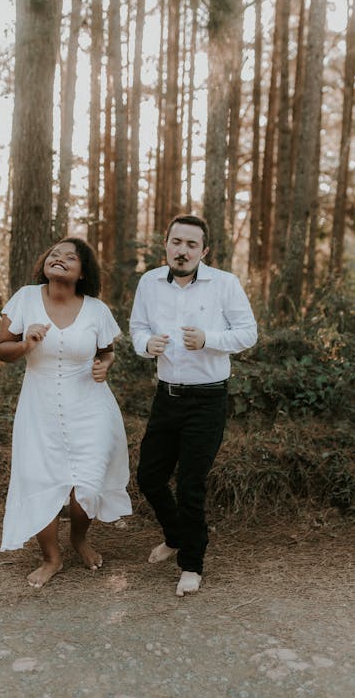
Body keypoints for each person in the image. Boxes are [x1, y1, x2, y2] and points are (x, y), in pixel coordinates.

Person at [130, 215, 257, 596]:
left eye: (190, 245)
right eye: (176, 242)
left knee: (189, 486)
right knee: (149, 477)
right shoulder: (149, 282)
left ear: (204, 251)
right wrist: (145, 345)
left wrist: (209, 339)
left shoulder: (225, 284)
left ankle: (192, 564)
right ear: (165, 244)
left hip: (207, 399)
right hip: (166, 397)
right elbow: (137, 327)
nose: (181, 250)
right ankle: (175, 536)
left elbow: (248, 333)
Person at [0, 237, 131, 589]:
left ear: (82, 271)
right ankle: (51, 557)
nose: (59, 259)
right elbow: (1, 350)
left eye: (70, 257)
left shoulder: (97, 310)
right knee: (40, 478)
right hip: (38, 408)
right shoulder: (26, 297)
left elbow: (107, 351)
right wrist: (25, 344)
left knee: (87, 481)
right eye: (54, 254)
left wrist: (104, 366)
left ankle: (80, 539)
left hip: (91, 407)